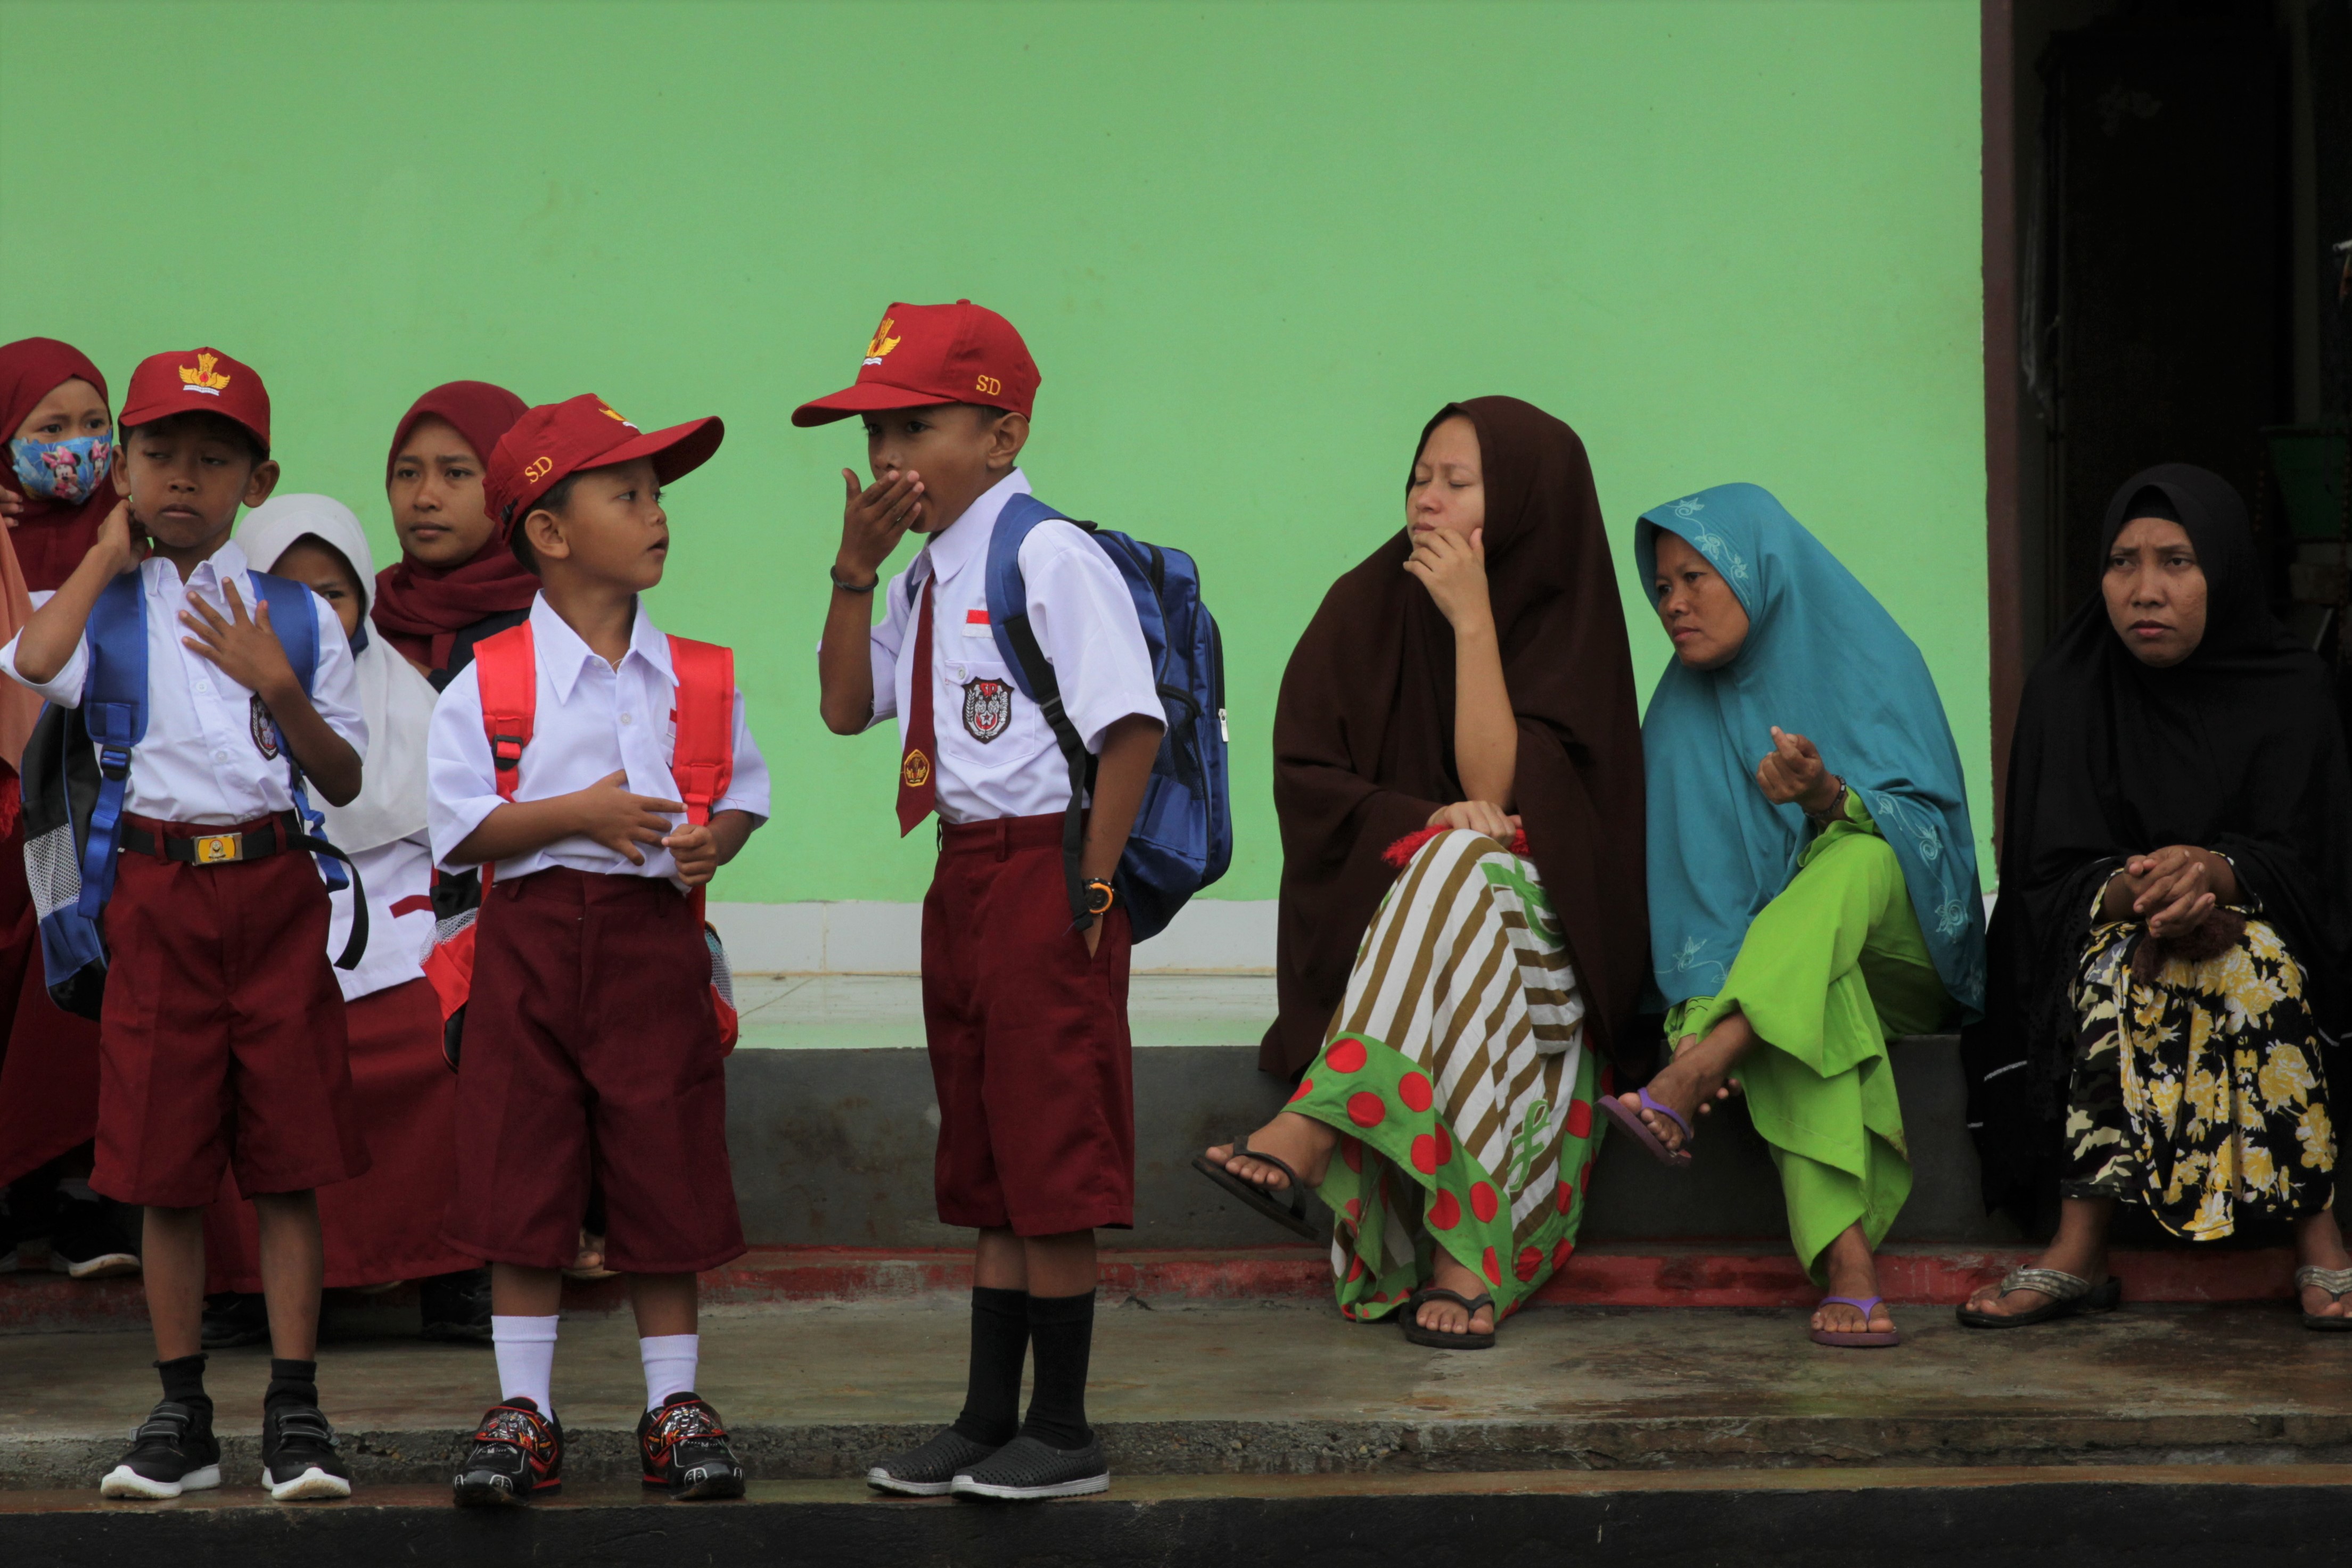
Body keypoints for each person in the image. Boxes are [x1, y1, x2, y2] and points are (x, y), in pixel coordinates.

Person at [1196, 398, 1648, 1347]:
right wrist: (1425, 822)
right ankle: (1461, 1259)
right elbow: (1309, 784)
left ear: (1522, 502)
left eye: (1457, 483)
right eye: (1419, 478)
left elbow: (1499, 788)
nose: (1427, 503)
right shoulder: (1362, 605)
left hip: (1544, 975)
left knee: (1464, 853)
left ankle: (1318, 1123)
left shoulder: (1568, 625)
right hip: (1407, 960)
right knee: (1452, 851)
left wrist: (1473, 625)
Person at [808, 301, 1164, 1501]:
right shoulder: (921, 572)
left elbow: (1130, 728)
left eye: (914, 425)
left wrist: (1092, 883)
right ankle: (983, 1416)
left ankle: (1062, 1429)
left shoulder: (1045, 554)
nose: (886, 456)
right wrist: (853, 573)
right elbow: (848, 708)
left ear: (1002, 437)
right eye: (873, 433)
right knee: (991, 1150)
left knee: (1050, 1146)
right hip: (960, 870)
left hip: (1044, 870)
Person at [3, 347, 368, 1499]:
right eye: (158, 453)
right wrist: (108, 544)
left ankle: (295, 1412)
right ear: (123, 465)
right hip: (152, 897)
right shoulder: (101, 609)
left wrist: (281, 684)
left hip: (272, 891)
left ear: (256, 484)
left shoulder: (302, 619)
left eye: (214, 461)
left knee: (288, 1159)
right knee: (160, 1168)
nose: (182, 480)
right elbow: (30, 662)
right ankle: (180, 1410)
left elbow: (345, 780)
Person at [432, 393, 768, 1506]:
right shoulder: (487, 679)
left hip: (648, 949)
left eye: (658, 494)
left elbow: (743, 802)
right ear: (551, 531)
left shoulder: (699, 675)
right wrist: (576, 814)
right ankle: (523, 1409)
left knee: (660, 1160)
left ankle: (674, 1405)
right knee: (523, 1168)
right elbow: (462, 830)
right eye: (628, 494)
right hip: (528, 949)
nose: (657, 514)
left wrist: (708, 844)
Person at [1959, 466, 2351, 1331]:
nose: (2144, 590)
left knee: (2251, 961)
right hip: (2104, 930)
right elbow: (2039, 876)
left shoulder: (2290, 690)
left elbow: (2316, 864)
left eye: (2175, 561)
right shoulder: (2067, 689)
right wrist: (2138, 891)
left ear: (2222, 569)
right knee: (2116, 973)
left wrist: (2214, 874)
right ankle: (2079, 1241)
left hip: (2268, 936)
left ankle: (2314, 1229)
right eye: (2121, 562)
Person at [1616, 483, 1985, 1348]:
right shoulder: (1675, 718)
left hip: (1905, 947)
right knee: (1797, 989)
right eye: (1660, 586)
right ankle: (1849, 1266)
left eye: (1694, 576)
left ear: (1757, 569)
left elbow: (1930, 833)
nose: (1673, 602)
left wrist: (1827, 796)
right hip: (1793, 975)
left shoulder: (1871, 656)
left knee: (1851, 856)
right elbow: (1688, 901)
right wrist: (1708, 1005)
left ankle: (1711, 1054)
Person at [199, 494, 488, 1344]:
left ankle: (450, 1268)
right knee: (234, 1053)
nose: (316, 613)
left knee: (443, 1041)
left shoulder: (416, 700)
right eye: (285, 591)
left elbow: (452, 844)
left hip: (393, 926)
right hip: (255, 914)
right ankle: (246, 1284)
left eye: (336, 592)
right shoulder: (202, 702)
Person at [0, 338, 133, 1281]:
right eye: (51, 428)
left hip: (94, 808)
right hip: (12, 801)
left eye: (96, 426)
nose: (77, 447)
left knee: (77, 964)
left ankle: (85, 1185)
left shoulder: (135, 536)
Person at [370, 381, 535, 684]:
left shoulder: (558, 622)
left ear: (512, 486)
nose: (424, 498)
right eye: (408, 473)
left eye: (456, 473)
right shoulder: (364, 613)